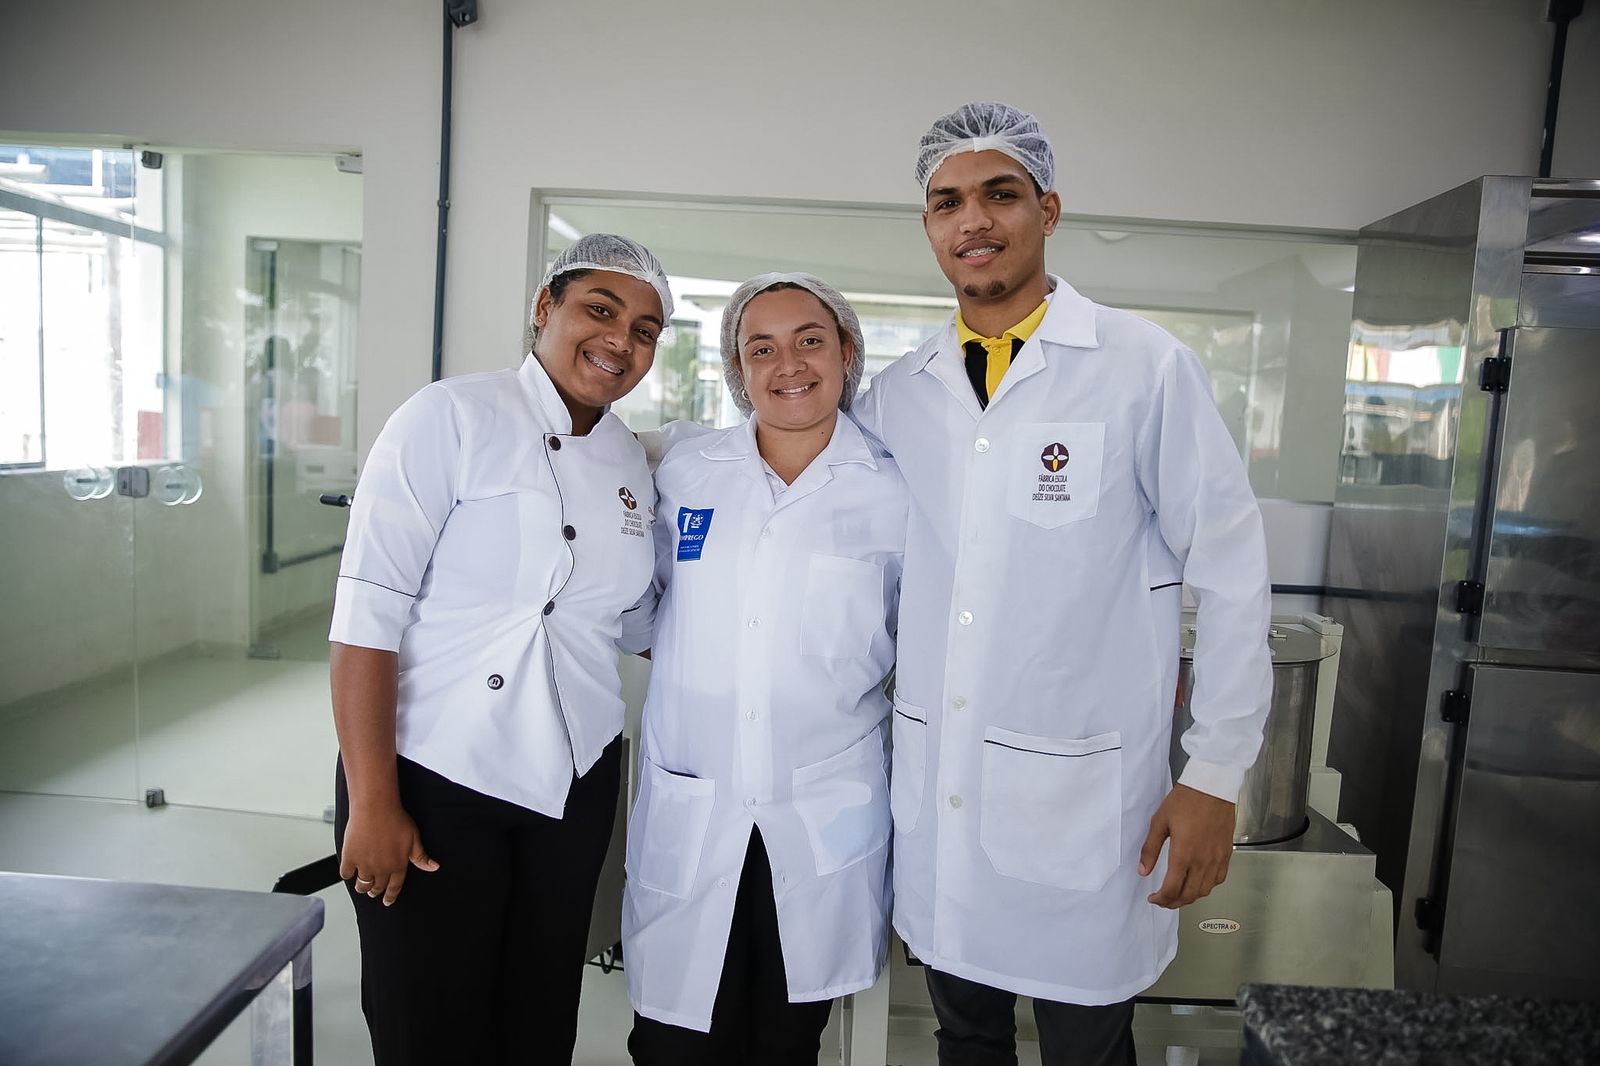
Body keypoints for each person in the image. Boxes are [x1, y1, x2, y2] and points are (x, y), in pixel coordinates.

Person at [851, 103, 1273, 1066]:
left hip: (1089, 807)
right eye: (948, 201)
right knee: (964, 1033)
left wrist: (1213, 775)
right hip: (942, 798)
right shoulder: (900, 394)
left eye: (1000, 194)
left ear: (1046, 207)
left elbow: (1234, 570)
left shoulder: (1141, 368)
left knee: (1088, 1040)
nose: (975, 220)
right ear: (929, 227)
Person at [328, 233, 674, 1065]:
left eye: (647, 329)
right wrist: (373, 800)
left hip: (574, 782)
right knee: (429, 1024)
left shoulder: (633, 461)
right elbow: (365, 620)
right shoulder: (449, 417)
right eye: (600, 310)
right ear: (543, 309)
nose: (622, 340)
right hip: (435, 773)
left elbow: (632, 625)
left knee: (540, 1017)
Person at [620, 273, 907, 1065]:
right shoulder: (686, 472)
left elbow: (919, 641)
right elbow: (643, 609)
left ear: (847, 353)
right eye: (762, 347)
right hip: (696, 803)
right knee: (672, 1043)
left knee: (785, 1044)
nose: (789, 364)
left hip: (820, 813)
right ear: (737, 370)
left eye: (810, 340)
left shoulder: (896, 490)